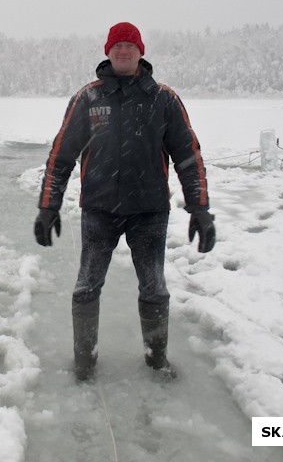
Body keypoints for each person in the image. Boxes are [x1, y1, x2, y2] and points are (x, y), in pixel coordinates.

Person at [33, 21, 215, 380]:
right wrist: (48, 206)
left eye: (131, 46)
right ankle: (85, 361)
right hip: (99, 211)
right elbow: (62, 155)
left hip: (149, 212)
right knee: (87, 286)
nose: (124, 51)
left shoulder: (163, 99)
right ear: (108, 51)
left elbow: (188, 157)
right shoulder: (88, 98)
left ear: (141, 52)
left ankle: (156, 359)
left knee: (154, 287)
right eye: (118, 45)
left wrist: (200, 209)